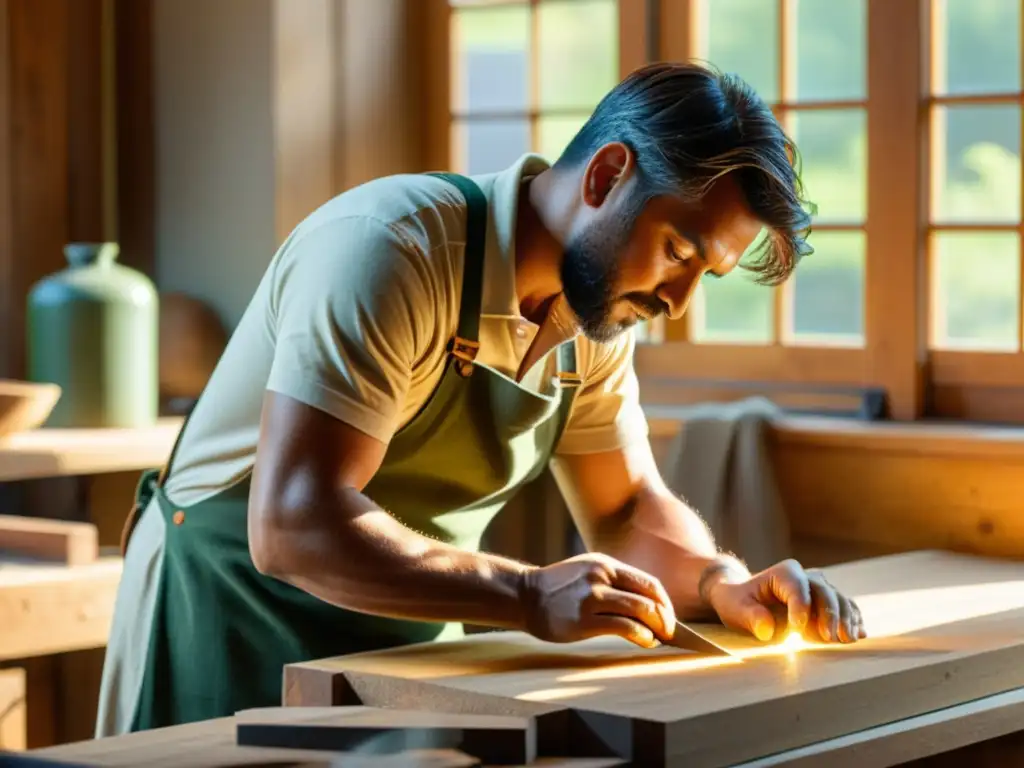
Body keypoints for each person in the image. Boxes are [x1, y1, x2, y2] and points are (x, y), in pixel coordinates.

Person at [96, 60, 866, 737]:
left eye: (707, 276)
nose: (679, 301)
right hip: (222, 620)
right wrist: (526, 594)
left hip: (404, 643)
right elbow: (296, 522)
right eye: (678, 253)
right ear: (605, 178)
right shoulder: (393, 250)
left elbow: (627, 508)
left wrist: (719, 582)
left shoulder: (593, 315)